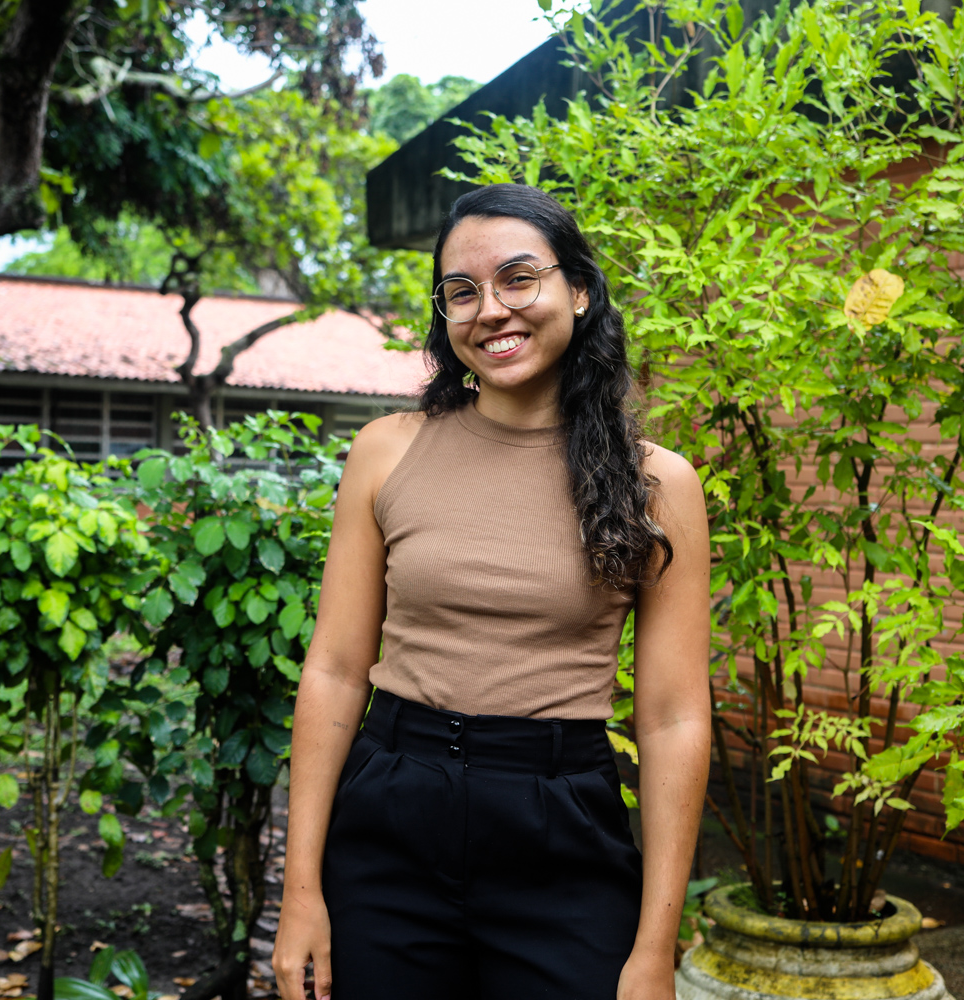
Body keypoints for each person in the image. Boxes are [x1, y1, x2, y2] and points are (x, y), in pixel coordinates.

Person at [273, 183, 711, 1000]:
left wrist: (656, 949)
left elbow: (673, 717)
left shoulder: (657, 484)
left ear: (578, 291)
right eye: (462, 292)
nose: (491, 310)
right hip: (388, 821)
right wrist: (302, 894)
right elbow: (334, 670)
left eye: (519, 279)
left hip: (561, 830)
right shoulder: (385, 452)